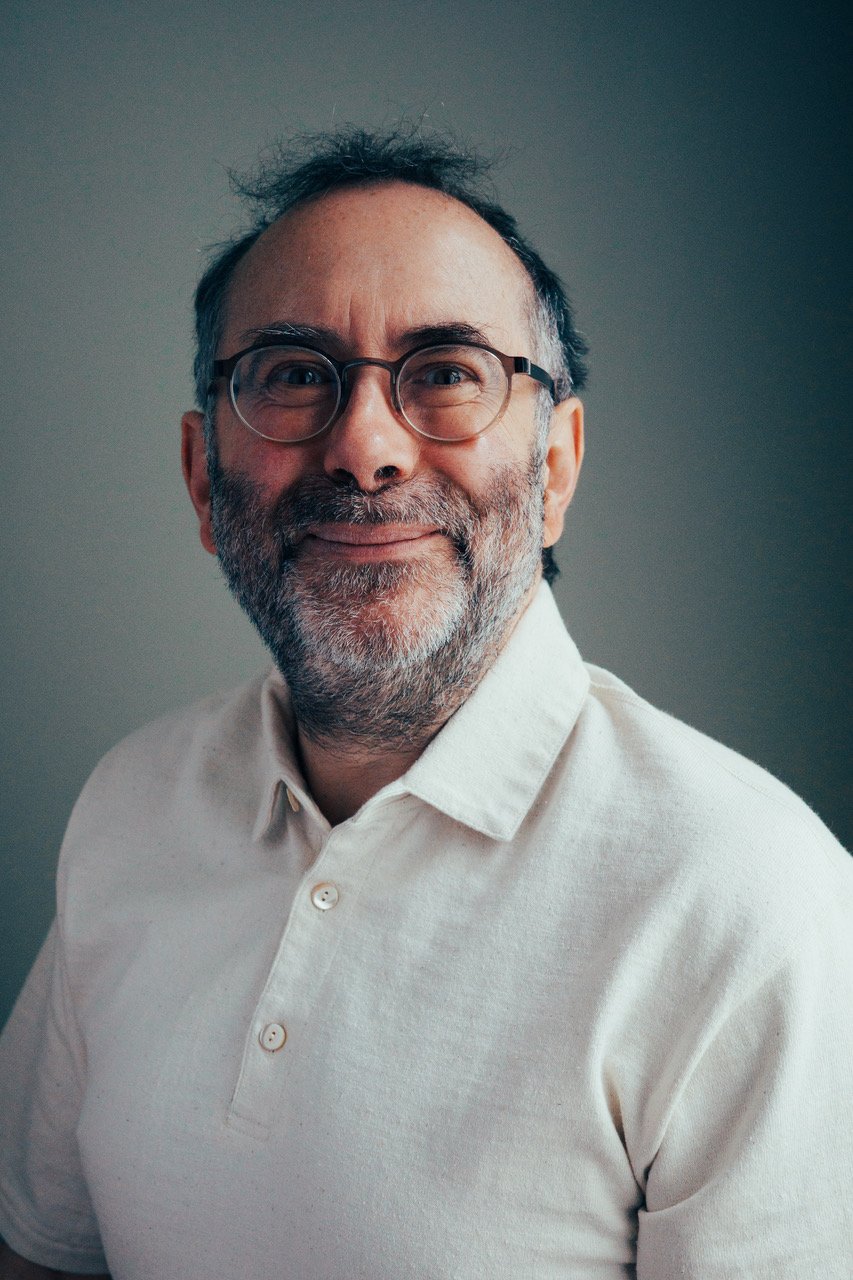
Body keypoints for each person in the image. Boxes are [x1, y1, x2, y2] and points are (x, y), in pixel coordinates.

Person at [1, 127, 851, 1280]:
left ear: (553, 469)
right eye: (294, 371)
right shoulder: (128, 804)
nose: (364, 445)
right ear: (204, 479)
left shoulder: (749, 898)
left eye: (447, 371)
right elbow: (47, 1249)